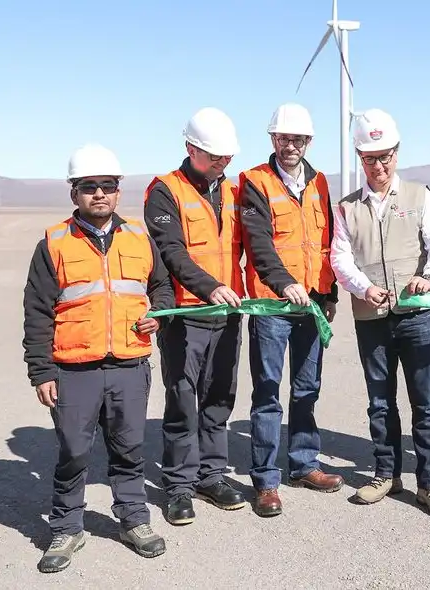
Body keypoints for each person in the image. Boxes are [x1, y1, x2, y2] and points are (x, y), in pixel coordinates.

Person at [23, 144, 172, 573]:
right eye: (90, 187)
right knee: (73, 451)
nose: (100, 194)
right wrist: (41, 371)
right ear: (75, 193)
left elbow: (161, 288)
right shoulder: (53, 243)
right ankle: (67, 528)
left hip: (128, 364)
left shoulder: (140, 238)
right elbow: (37, 311)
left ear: (118, 191)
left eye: (107, 186)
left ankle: (134, 520)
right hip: (73, 368)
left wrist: (155, 316)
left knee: (129, 448)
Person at [330, 109, 430, 519]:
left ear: (397, 154)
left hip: (417, 316)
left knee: (426, 403)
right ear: (359, 159)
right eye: (370, 158)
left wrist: (429, 278)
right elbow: (340, 259)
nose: (379, 166)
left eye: (385, 156)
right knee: (380, 402)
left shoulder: (420, 196)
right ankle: (386, 474)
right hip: (372, 318)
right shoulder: (347, 208)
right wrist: (364, 288)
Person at [143, 107, 248, 526]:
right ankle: (179, 486)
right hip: (186, 314)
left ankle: (212, 476)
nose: (223, 163)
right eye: (215, 156)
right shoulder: (165, 191)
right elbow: (172, 252)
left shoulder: (237, 192)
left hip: (228, 313)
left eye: (227, 157)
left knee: (219, 397)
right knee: (184, 400)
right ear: (191, 148)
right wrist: (209, 287)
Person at [238, 102, 343, 517]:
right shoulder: (254, 182)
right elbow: (258, 243)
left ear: (308, 142)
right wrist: (285, 283)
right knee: (267, 393)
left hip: (312, 304)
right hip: (272, 304)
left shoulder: (319, 184)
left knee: (306, 389)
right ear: (272, 139)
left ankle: (303, 464)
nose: (290, 146)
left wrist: (329, 294)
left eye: (297, 139)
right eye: (283, 138)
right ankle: (265, 481)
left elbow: (327, 243)